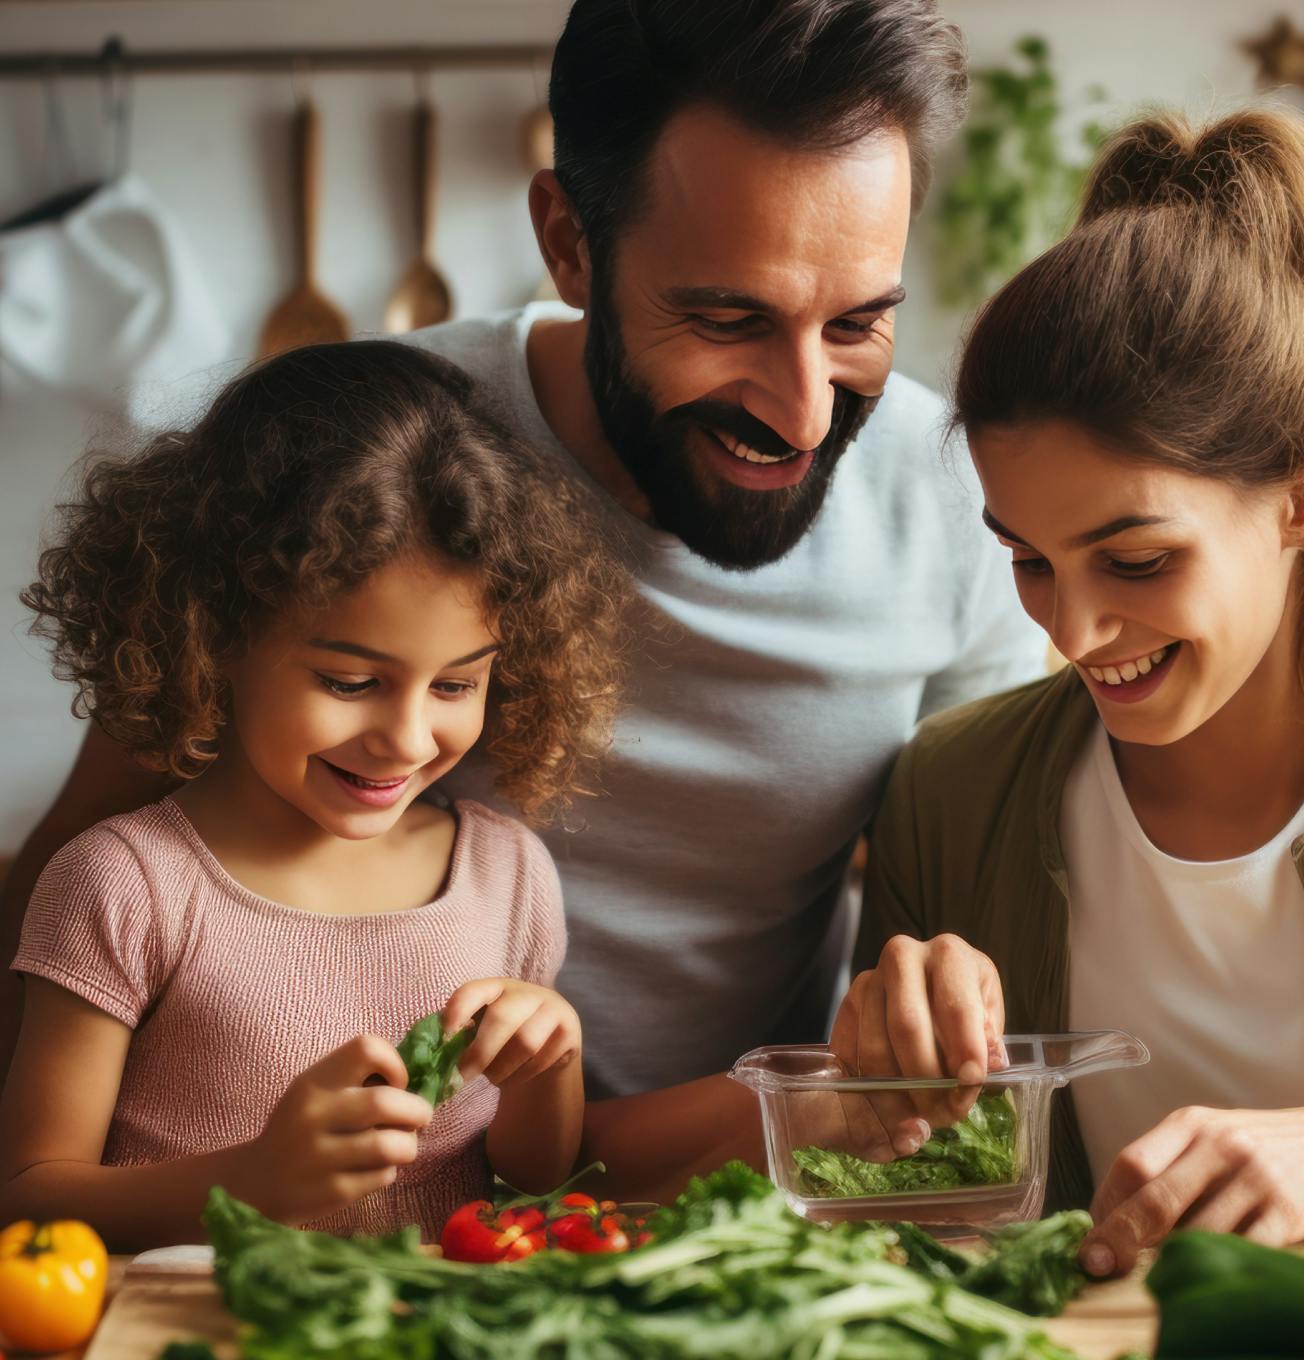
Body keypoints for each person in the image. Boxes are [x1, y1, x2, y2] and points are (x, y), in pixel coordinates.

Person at [1, 0, 1042, 1118]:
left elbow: (958, 916)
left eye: (856, 324)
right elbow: (74, 883)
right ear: (568, 245)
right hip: (347, 1210)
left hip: (737, 1192)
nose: (799, 413)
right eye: (727, 319)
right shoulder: (368, 453)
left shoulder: (958, 502)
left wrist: (940, 990)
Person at [844, 107, 1304, 1273]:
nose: (1071, 631)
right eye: (1028, 557)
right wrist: (882, 1090)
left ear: (1300, 501)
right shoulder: (950, 791)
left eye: (1135, 561)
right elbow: (917, 1226)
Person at [0, 341, 628, 1248]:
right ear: (211, 632)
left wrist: (549, 1070)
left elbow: (533, 1179)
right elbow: (28, 1201)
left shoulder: (506, 874)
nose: (408, 739)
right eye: (347, 681)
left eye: (455, 685)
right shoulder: (123, 885)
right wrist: (249, 1185)